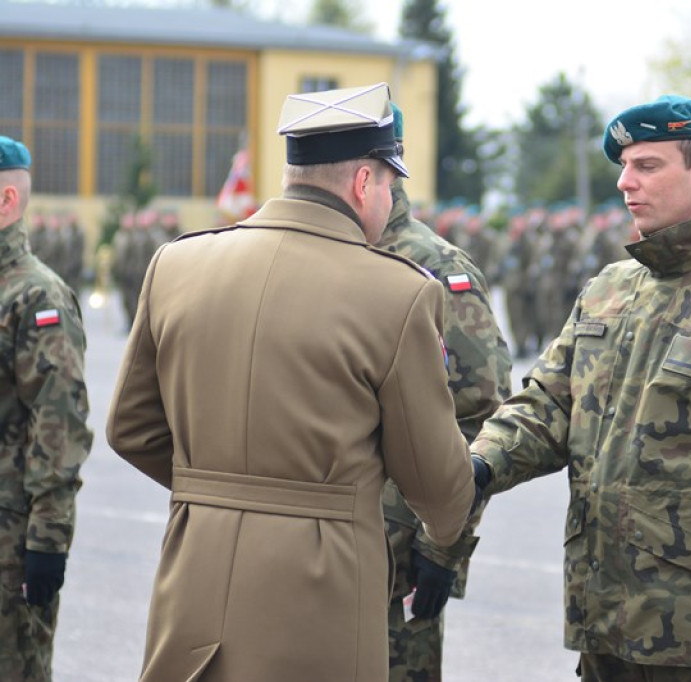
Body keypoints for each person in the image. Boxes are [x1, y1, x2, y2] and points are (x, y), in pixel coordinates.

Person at [105, 83, 476, 682]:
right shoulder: (401, 292)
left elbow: (131, 428)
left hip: (194, 574)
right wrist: (445, 525)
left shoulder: (176, 263)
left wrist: (215, 490)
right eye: (389, 182)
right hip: (322, 591)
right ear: (363, 183)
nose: (389, 199)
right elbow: (436, 483)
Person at [469, 95, 691, 682]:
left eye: (647, 166)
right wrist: (478, 467)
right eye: (624, 166)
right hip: (602, 618)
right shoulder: (609, 288)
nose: (624, 182)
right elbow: (548, 405)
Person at [379, 104, 512, 682]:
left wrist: (441, 549)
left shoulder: (433, 267)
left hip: (395, 552)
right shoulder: (309, 255)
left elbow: (480, 415)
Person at [0, 135, 92, 681]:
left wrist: (48, 542)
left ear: (6, 202)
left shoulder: (37, 298)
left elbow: (59, 427)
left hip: (8, 544)